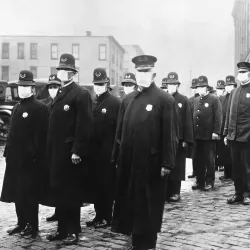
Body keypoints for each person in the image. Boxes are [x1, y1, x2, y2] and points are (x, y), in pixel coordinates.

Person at [111, 55, 178, 250]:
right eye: (139, 72)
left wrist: (167, 163)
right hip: (129, 163)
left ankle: (147, 244)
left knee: (148, 206)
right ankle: (135, 241)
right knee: (131, 203)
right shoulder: (128, 100)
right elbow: (120, 132)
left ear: (153, 74)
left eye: (146, 72)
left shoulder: (164, 100)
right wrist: (116, 155)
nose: (142, 75)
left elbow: (170, 134)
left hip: (151, 164)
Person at [46, 54, 93, 245]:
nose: (63, 74)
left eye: (67, 71)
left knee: (72, 193)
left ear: (73, 73)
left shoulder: (80, 94)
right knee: (60, 192)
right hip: (57, 153)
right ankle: (62, 229)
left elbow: (85, 125)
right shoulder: (60, 93)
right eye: (61, 71)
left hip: (70, 154)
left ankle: (73, 231)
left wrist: (77, 150)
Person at [0, 70, 48, 237]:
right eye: (21, 86)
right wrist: (7, 153)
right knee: (17, 193)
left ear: (32, 88)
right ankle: (21, 223)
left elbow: (41, 135)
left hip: (30, 161)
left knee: (30, 194)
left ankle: (32, 225)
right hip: (15, 160)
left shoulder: (39, 107)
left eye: (26, 86)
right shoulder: (17, 107)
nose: (22, 89)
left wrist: (34, 155)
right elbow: (12, 133)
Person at [86, 68, 121, 229]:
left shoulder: (114, 103)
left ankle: (107, 216)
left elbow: (119, 130)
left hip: (108, 152)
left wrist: (116, 153)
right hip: (94, 153)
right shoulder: (93, 102)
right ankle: (98, 215)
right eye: (96, 84)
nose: (98, 87)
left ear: (107, 84)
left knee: (106, 186)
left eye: (101, 84)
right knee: (96, 185)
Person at [165, 72, 194, 202]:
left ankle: (175, 192)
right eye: (169, 84)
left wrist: (186, 140)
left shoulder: (183, 100)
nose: (171, 87)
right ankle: (165, 191)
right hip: (165, 139)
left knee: (177, 167)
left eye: (174, 85)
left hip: (179, 140)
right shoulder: (163, 99)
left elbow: (188, 121)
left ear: (177, 86)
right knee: (166, 165)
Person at [225, 62, 250, 205]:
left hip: (247, 137)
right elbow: (229, 114)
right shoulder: (234, 92)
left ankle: (247, 193)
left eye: (242, 72)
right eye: (239, 72)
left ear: (249, 74)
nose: (239, 75)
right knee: (236, 167)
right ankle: (238, 193)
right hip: (234, 136)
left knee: (247, 167)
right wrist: (226, 133)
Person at [192, 76, 222, 191]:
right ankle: (199, 181)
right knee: (198, 159)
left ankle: (209, 182)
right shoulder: (196, 100)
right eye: (198, 87)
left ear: (207, 88)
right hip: (198, 136)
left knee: (210, 160)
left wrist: (216, 131)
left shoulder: (214, 99)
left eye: (202, 87)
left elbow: (218, 117)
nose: (200, 89)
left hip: (209, 136)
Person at [42, 74, 62, 222]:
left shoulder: (62, 104)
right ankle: (56, 209)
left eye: (55, 87)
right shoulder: (45, 106)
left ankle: (62, 211)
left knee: (61, 182)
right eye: (51, 87)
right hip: (48, 147)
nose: (53, 89)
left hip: (60, 148)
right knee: (52, 182)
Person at [219, 76, 236, 181]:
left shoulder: (235, 96)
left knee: (232, 153)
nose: (228, 87)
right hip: (223, 129)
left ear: (234, 86)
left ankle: (233, 173)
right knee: (224, 153)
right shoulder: (222, 98)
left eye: (230, 85)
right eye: (227, 86)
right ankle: (226, 173)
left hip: (233, 129)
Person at [188, 78, 199, 178]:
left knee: (202, 154)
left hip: (201, 131)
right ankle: (194, 171)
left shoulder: (202, 99)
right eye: (193, 88)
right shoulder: (190, 100)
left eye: (196, 88)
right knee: (193, 154)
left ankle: (201, 173)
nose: (195, 90)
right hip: (192, 130)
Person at [215, 80, 226, 172]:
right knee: (215, 148)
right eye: (218, 89)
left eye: (221, 89)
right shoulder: (214, 99)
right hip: (216, 128)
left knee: (222, 148)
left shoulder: (225, 99)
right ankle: (216, 164)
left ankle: (222, 164)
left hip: (223, 128)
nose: (219, 91)